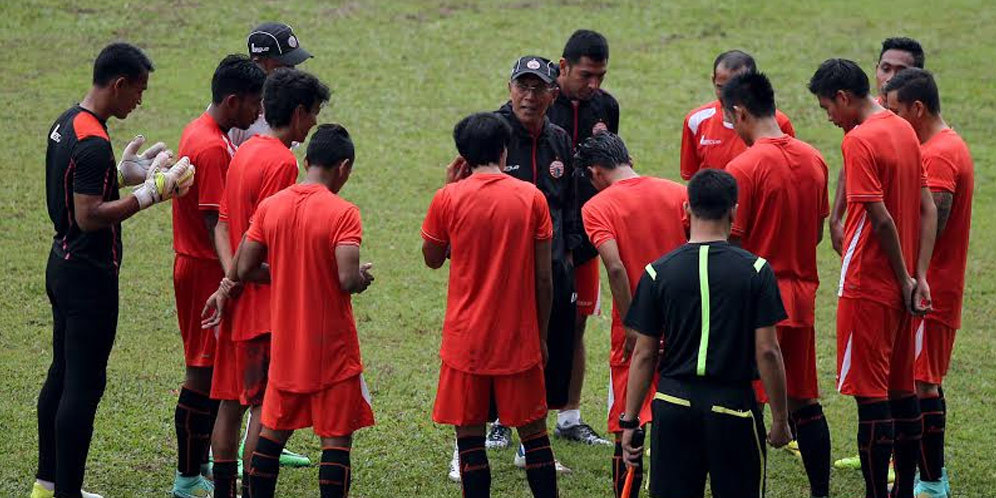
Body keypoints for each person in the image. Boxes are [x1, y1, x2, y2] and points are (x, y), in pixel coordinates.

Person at [37, 42, 194, 498]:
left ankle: (47, 486)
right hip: (88, 276)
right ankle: (67, 493)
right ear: (119, 84)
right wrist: (149, 194)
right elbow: (88, 214)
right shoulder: (90, 142)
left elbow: (79, 187)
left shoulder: (68, 123)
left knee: (62, 374)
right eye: (139, 91)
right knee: (83, 388)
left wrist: (124, 173)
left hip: (61, 263)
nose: (140, 101)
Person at [808, 58, 937, 498]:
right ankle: (904, 490)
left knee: (871, 397)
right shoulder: (903, 128)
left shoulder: (860, 141)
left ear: (844, 98)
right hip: (904, 286)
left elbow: (879, 218)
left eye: (828, 107)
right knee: (903, 392)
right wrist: (920, 276)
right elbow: (927, 207)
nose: (829, 117)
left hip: (868, 283)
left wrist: (902, 277)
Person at [620, 169, 791, 497]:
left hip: (672, 404)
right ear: (734, 211)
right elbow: (767, 351)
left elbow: (643, 354)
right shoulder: (756, 271)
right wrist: (781, 419)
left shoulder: (658, 272)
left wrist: (629, 421)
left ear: (686, 209)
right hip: (733, 406)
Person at [200, 68, 330, 498]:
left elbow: (221, 222)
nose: (312, 124)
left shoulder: (245, 150)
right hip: (260, 307)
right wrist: (290, 275)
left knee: (230, 403)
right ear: (297, 113)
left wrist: (228, 280)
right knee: (264, 406)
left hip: (238, 299)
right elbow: (269, 240)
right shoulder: (280, 163)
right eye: (312, 115)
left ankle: (224, 492)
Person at [234, 124, 374, 498]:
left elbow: (243, 267)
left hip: (287, 347)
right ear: (343, 167)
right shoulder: (344, 213)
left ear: (307, 161)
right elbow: (345, 278)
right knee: (336, 442)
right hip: (333, 350)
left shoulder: (271, 207)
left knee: (272, 437)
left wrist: (287, 272)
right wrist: (361, 278)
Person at [423, 112, 559, 498]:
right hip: (518, 338)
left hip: (466, 342)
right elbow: (544, 278)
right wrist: (542, 335)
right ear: (504, 150)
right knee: (534, 434)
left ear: (462, 157)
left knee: (469, 438)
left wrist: (447, 192)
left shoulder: (448, 198)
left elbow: (432, 258)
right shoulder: (531, 198)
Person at [722, 71, 831, 498]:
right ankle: (820, 492)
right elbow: (818, 232)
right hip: (801, 299)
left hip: (755, 302)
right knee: (805, 401)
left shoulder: (742, 168)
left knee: (746, 402)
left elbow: (733, 242)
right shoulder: (815, 158)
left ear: (740, 112)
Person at [168, 54, 265, 498]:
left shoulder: (206, 132)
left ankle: (200, 463)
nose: (259, 111)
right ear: (232, 100)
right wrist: (234, 278)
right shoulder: (209, 147)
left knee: (208, 370)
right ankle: (188, 476)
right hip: (204, 270)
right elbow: (215, 223)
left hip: (203, 266)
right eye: (253, 102)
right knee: (202, 373)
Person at [477, 55, 579, 472]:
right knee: (488, 354)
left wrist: (569, 253)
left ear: (553, 94)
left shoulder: (559, 140)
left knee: (544, 353)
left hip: (549, 270)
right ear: (509, 88)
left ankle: (530, 448)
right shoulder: (491, 136)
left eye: (539, 88)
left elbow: (569, 201)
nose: (530, 95)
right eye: (523, 86)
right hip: (502, 270)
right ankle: (475, 438)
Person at [576, 132, 687, 497]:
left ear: (594, 173)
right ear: (629, 158)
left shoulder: (598, 207)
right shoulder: (676, 193)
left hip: (634, 332)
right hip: (684, 323)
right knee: (676, 418)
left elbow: (616, 268)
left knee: (629, 425)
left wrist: (633, 324)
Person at [883, 68, 973, 498]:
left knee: (920, 384)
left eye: (896, 111)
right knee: (924, 379)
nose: (892, 119)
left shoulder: (937, 156)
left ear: (917, 109)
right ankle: (927, 474)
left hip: (929, 291)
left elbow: (931, 226)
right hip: (937, 288)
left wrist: (908, 276)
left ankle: (931, 480)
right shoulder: (946, 143)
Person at [546, 29, 619, 446]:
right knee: (528, 325)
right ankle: (505, 418)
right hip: (543, 240)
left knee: (576, 326)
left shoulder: (606, 107)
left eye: (601, 76)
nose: (593, 85)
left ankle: (569, 417)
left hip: (588, 237)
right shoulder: (538, 102)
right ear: (564, 67)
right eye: (586, 75)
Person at [829, 37, 925, 259]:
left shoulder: (920, 122)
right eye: (885, 68)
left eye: (901, 71)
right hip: (871, 240)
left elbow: (927, 204)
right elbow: (849, 163)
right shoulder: (861, 113)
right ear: (876, 70)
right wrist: (835, 218)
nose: (890, 77)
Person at [678, 50, 794, 181]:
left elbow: (786, 173)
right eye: (721, 87)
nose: (727, 96)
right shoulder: (696, 121)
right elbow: (693, 178)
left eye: (734, 89)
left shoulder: (777, 123)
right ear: (713, 80)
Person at [229, 22, 313, 147]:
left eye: (292, 67)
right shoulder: (237, 107)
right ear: (257, 63)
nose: (290, 74)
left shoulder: (285, 100)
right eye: (281, 68)